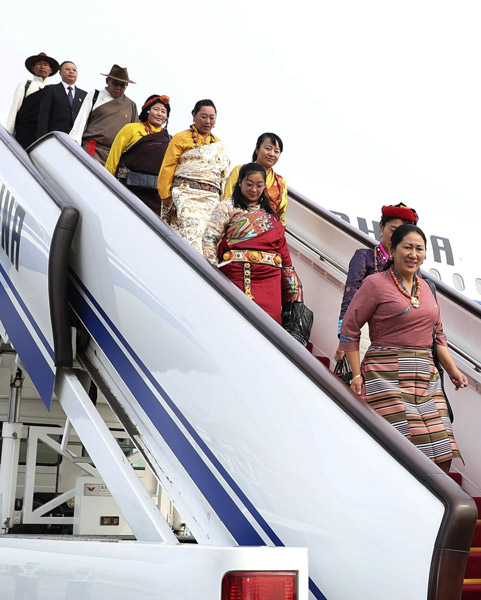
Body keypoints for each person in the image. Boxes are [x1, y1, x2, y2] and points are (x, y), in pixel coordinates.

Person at [339, 224, 467, 473]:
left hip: (425, 375)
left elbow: (438, 335)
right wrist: (356, 375)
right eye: (407, 247)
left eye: (419, 249)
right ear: (392, 248)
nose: (413, 254)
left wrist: (453, 371)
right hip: (386, 373)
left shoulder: (429, 288)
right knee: (405, 445)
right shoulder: (374, 284)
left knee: (442, 448)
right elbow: (350, 330)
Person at [203, 163, 302, 323]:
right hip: (237, 276)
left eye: (259, 185)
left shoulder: (272, 217)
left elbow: (285, 258)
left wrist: (295, 295)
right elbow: (210, 237)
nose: (254, 190)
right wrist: (212, 269)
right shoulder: (226, 207)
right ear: (240, 182)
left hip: (270, 282)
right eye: (249, 184)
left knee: (268, 330)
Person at [335, 203, 419, 362]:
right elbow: (350, 298)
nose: (395, 237)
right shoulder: (364, 257)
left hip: (400, 336)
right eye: (393, 230)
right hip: (366, 329)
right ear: (381, 227)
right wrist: (343, 338)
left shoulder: (413, 268)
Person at [157, 99, 230, 252]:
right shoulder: (181, 138)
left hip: (210, 201)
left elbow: (223, 177)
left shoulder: (218, 144)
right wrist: (166, 196)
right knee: (188, 236)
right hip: (185, 196)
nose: (208, 121)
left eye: (212, 117)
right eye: (203, 116)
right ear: (194, 115)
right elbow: (168, 167)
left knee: (206, 239)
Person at [105, 94, 171, 214]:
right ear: (147, 110)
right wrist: (106, 181)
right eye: (156, 109)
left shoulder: (169, 140)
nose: (159, 114)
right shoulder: (131, 129)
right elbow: (114, 156)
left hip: (154, 194)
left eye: (163, 111)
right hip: (128, 187)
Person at [69, 65, 138, 166]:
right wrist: (73, 144)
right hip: (92, 149)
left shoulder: (131, 105)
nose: (118, 88)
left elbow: (134, 135)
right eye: (115, 83)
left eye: (123, 85)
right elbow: (81, 121)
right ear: (107, 81)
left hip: (115, 156)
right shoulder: (95, 95)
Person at [223, 133, 288, 224]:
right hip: (238, 227)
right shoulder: (240, 170)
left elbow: (280, 214)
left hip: (267, 231)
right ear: (257, 149)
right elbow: (227, 199)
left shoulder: (281, 182)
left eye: (276, 151)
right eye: (268, 148)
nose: (272, 154)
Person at [6, 51, 59, 149]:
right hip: (24, 132)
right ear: (33, 68)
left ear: (50, 70)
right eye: (39, 64)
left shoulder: (54, 89)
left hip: (44, 134)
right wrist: (8, 134)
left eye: (45, 65)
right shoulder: (26, 84)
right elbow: (14, 109)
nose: (42, 67)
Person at [37, 61, 87, 137]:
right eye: (67, 69)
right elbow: (44, 116)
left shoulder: (84, 94)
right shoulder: (51, 89)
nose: (71, 71)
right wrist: (42, 138)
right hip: (55, 136)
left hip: (75, 138)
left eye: (74, 70)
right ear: (60, 73)